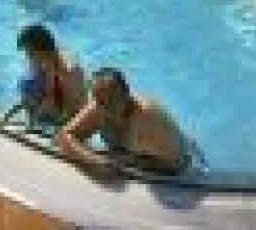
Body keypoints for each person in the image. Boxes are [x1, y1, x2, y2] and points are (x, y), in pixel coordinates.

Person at [57, 67, 188, 177]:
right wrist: (93, 161)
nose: (107, 108)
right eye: (100, 101)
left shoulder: (148, 119)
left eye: (112, 100)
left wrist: (130, 161)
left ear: (126, 95)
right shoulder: (98, 109)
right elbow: (64, 136)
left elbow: (177, 163)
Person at [0, 24, 86, 129]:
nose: (28, 57)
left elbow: (77, 110)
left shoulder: (65, 70)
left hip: (71, 117)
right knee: (29, 84)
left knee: (35, 89)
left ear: (39, 50)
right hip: (60, 109)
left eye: (30, 53)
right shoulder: (46, 62)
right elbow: (29, 98)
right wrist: (7, 117)